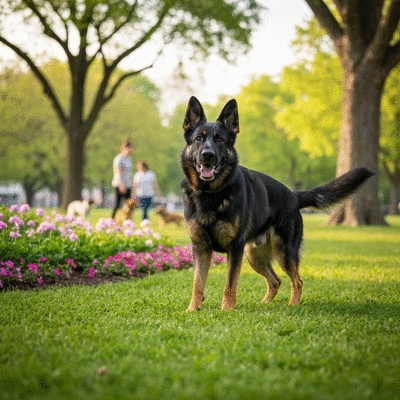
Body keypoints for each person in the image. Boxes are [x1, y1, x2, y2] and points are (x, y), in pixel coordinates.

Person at [111, 139, 133, 219]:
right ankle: (112, 221)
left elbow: (129, 173)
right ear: (124, 148)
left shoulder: (129, 159)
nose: (130, 151)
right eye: (129, 148)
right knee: (117, 204)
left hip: (128, 184)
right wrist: (121, 185)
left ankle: (128, 221)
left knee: (129, 205)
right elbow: (117, 173)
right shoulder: (119, 158)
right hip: (119, 184)